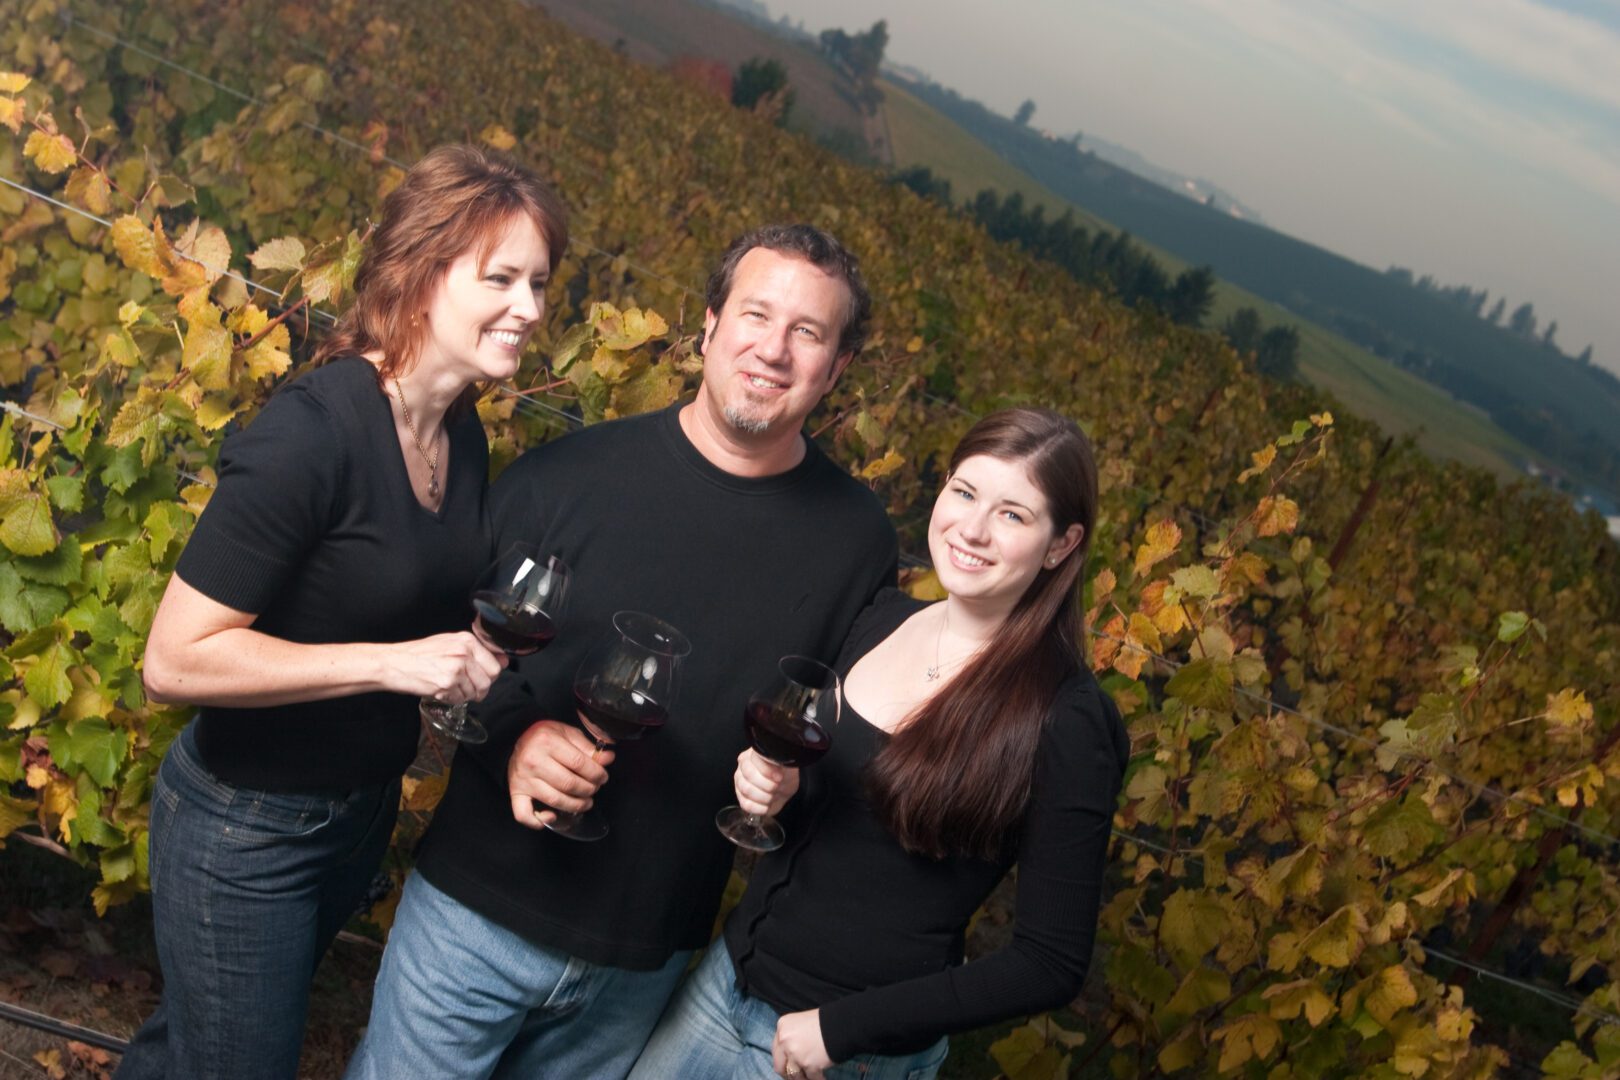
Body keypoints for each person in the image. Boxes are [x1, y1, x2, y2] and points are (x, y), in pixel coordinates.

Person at [346, 224, 899, 1080]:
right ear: (709, 326)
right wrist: (520, 735)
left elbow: (845, 732)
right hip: (475, 917)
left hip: (643, 964)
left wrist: (793, 783)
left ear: (837, 368)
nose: (774, 350)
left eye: (808, 333)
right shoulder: (569, 476)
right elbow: (461, 642)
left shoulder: (857, 541)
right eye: (756, 315)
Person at [115, 144, 568, 1080]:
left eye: (539, 282)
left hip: (351, 818)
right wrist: (391, 663)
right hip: (245, 829)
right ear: (419, 273)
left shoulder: (459, 431)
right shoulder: (310, 434)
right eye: (504, 279)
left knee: (185, 1053)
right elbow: (173, 661)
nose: (531, 308)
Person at [632, 407, 1129, 1080]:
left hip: (839, 1056)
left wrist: (842, 1031)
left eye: (1014, 515)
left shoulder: (1067, 718)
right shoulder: (882, 617)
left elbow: (1050, 964)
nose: (974, 529)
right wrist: (779, 790)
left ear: (1061, 545)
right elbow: (844, 819)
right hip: (725, 986)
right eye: (965, 492)